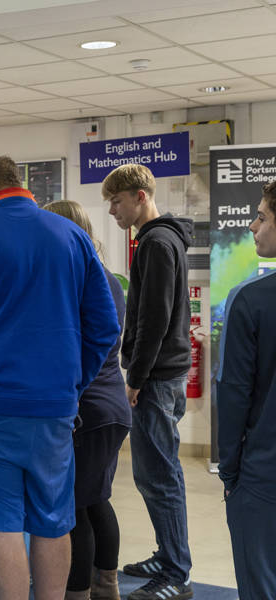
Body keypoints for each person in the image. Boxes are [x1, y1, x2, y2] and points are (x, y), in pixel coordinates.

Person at [0, 156, 119, 600]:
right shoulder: (72, 237)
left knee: (3, 524)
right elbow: (105, 328)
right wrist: (71, 385)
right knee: (53, 520)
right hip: (52, 409)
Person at [103, 164, 194, 600]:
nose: (113, 211)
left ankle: (176, 572)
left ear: (140, 196)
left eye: (117, 201)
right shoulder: (163, 238)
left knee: (159, 476)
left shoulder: (157, 242)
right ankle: (168, 554)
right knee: (157, 473)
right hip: (164, 373)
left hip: (156, 378)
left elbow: (153, 319)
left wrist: (136, 378)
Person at [43, 201, 131, 600]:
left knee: (73, 509)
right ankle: (105, 586)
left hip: (87, 409)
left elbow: (76, 345)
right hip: (109, 406)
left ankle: (77, 592)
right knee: (96, 501)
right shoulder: (105, 276)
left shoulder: (78, 278)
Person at [217, 180, 276, 600]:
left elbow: (233, 393)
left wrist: (230, 472)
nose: (253, 226)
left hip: (263, 475)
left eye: (262, 216)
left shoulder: (250, 300)